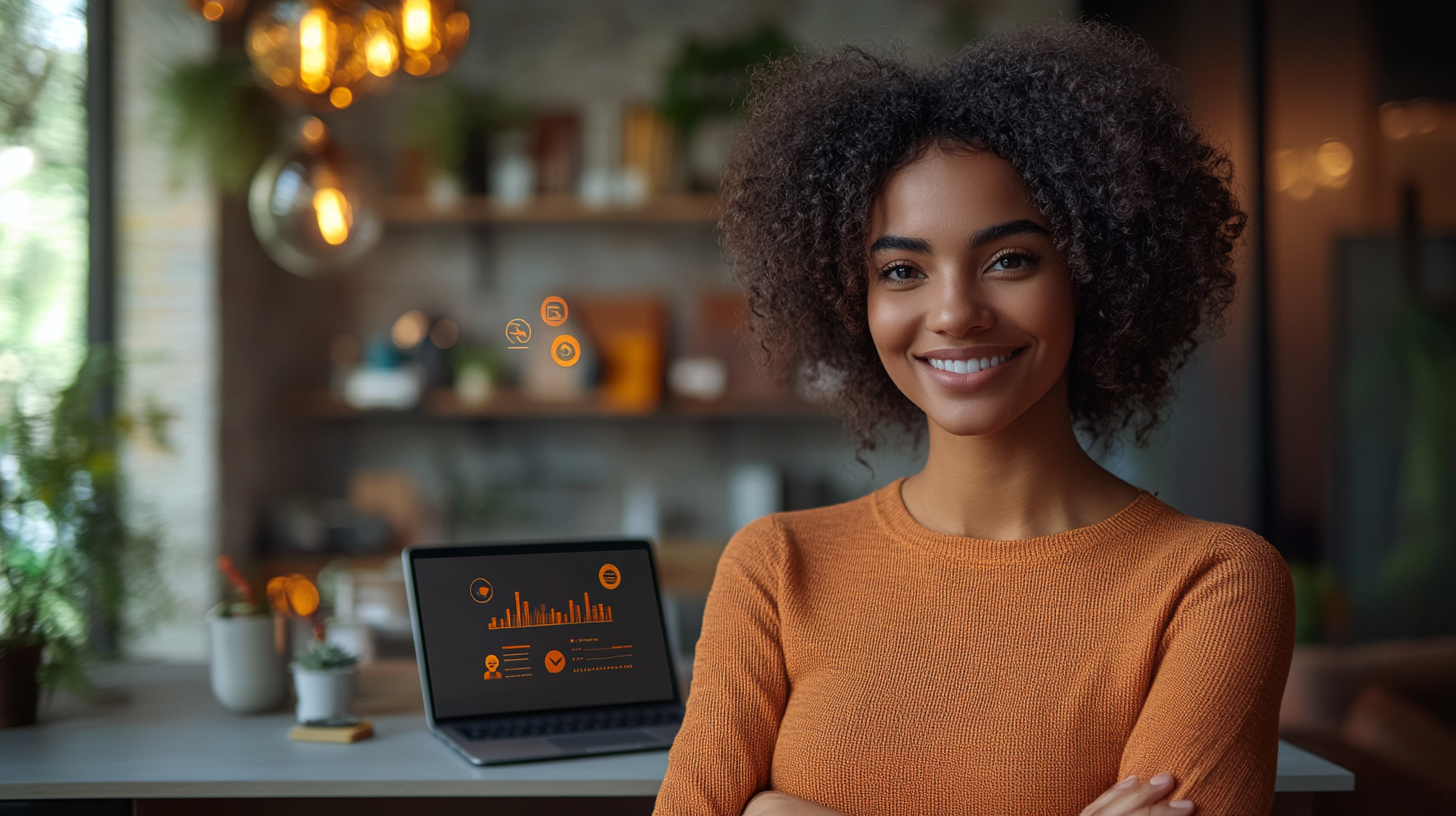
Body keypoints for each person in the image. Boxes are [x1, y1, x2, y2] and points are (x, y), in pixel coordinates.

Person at [654, 23, 1295, 816]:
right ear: (855, 301)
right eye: (902, 271)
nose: (955, 312)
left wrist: (782, 813)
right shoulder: (776, 569)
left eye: (1010, 260)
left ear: (1097, 274)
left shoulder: (1213, 582)